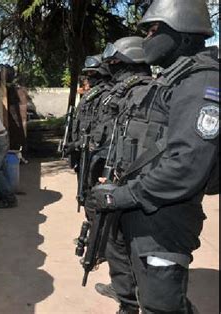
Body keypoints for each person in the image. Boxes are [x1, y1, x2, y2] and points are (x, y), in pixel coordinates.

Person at [86, 0, 219, 313]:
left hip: (166, 219)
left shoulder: (201, 82)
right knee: (151, 298)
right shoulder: (175, 79)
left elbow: (186, 166)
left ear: (183, 34)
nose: (146, 39)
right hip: (147, 210)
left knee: (163, 306)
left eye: (153, 30)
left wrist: (124, 195)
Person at [87, 37, 154, 314]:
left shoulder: (151, 94)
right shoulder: (126, 94)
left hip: (141, 193)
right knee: (116, 245)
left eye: (115, 62)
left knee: (143, 259)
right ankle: (127, 301)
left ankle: (136, 300)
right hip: (119, 184)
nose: (110, 68)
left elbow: (151, 150)